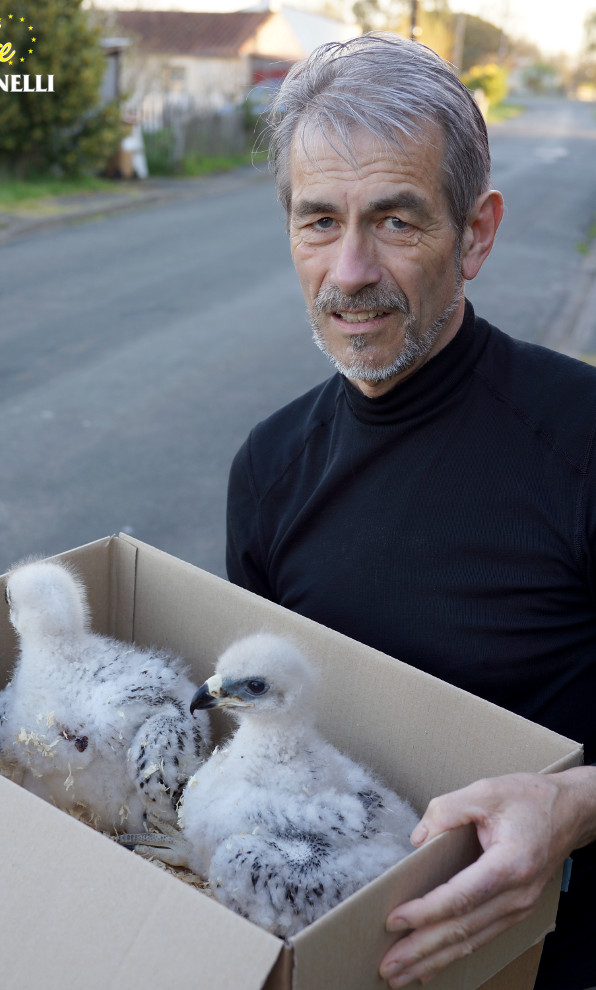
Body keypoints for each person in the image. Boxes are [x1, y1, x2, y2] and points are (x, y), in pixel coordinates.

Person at [225, 34, 596, 990]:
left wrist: (581, 807)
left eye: (395, 221)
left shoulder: (581, 441)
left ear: (475, 233)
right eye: (319, 222)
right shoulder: (268, 468)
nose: (349, 272)